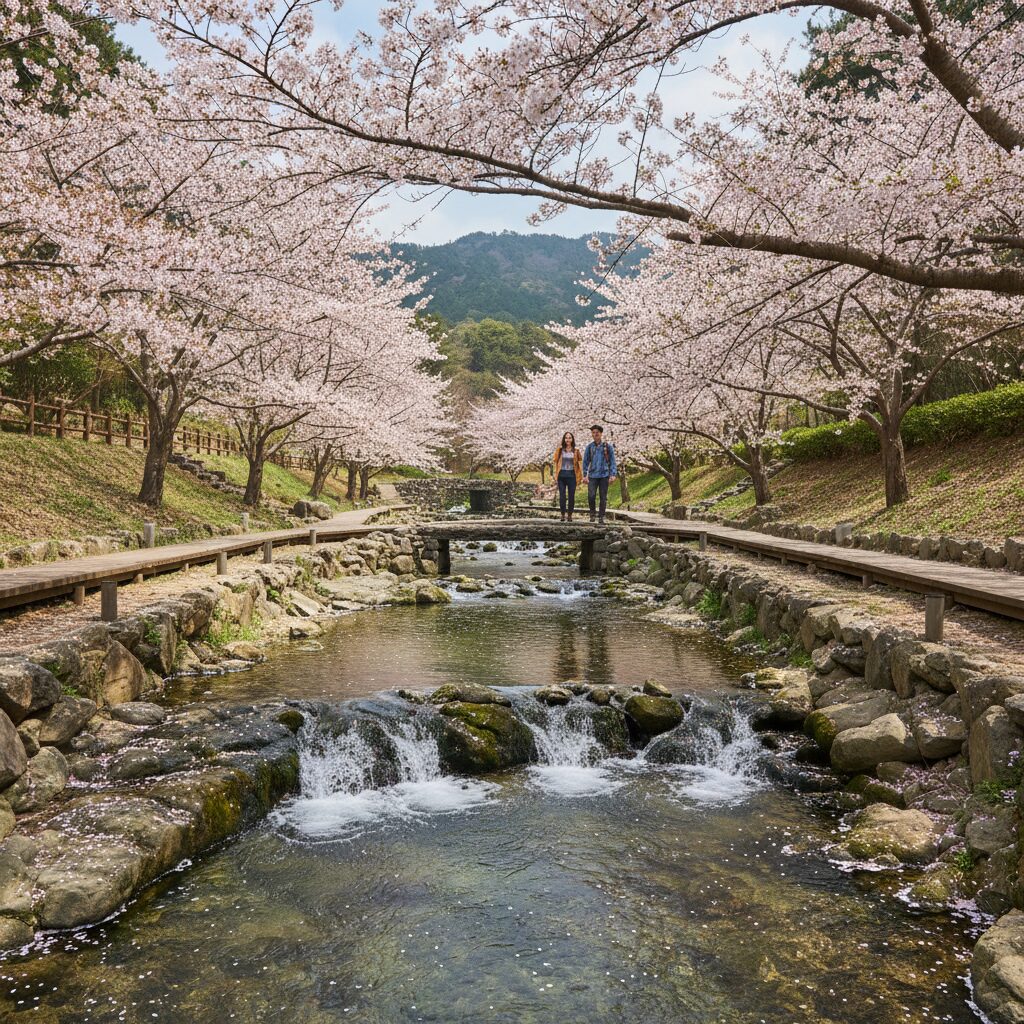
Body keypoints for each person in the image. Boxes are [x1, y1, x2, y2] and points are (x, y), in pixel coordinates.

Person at [582, 424, 617, 523]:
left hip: (604, 475)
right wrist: (585, 475)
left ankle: (601, 516)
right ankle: (592, 514)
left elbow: (613, 461)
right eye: (593, 432)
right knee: (591, 496)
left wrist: (613, 474)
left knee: (603, 497)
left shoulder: (607, 446)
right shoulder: (589, 447)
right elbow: (585, 462)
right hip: (592, 476)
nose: (595, 434)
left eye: (597, 432)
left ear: (601, 433)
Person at [552, 431, 582, 521]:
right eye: (566, 438)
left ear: (572, 439)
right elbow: (555, 462)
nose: (568, 439)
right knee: (562, 495)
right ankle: (562, 514)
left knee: (571, 496)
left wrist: (581, 475)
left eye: (569, 438)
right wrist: (554, 474)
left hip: (572, 476)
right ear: (564, 439)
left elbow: (580, 462)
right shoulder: (559, 450)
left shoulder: (576, 451)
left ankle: (570, 515)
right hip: (561, 476)